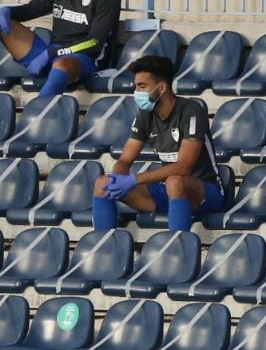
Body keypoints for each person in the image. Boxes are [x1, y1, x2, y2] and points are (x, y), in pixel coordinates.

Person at [92, 55, 225, 233]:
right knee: (103, 183)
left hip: (206, 192)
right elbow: (125, 160)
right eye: (135, 86)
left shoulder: (191, 110)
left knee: (175, 181)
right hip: (169, 192)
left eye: (142, 86)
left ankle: (176, 246)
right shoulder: (145, 115)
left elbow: (183, 167)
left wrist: (133, 180)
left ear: (161, 87)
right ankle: (103, 247)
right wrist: (119, 179)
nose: (136, 92)